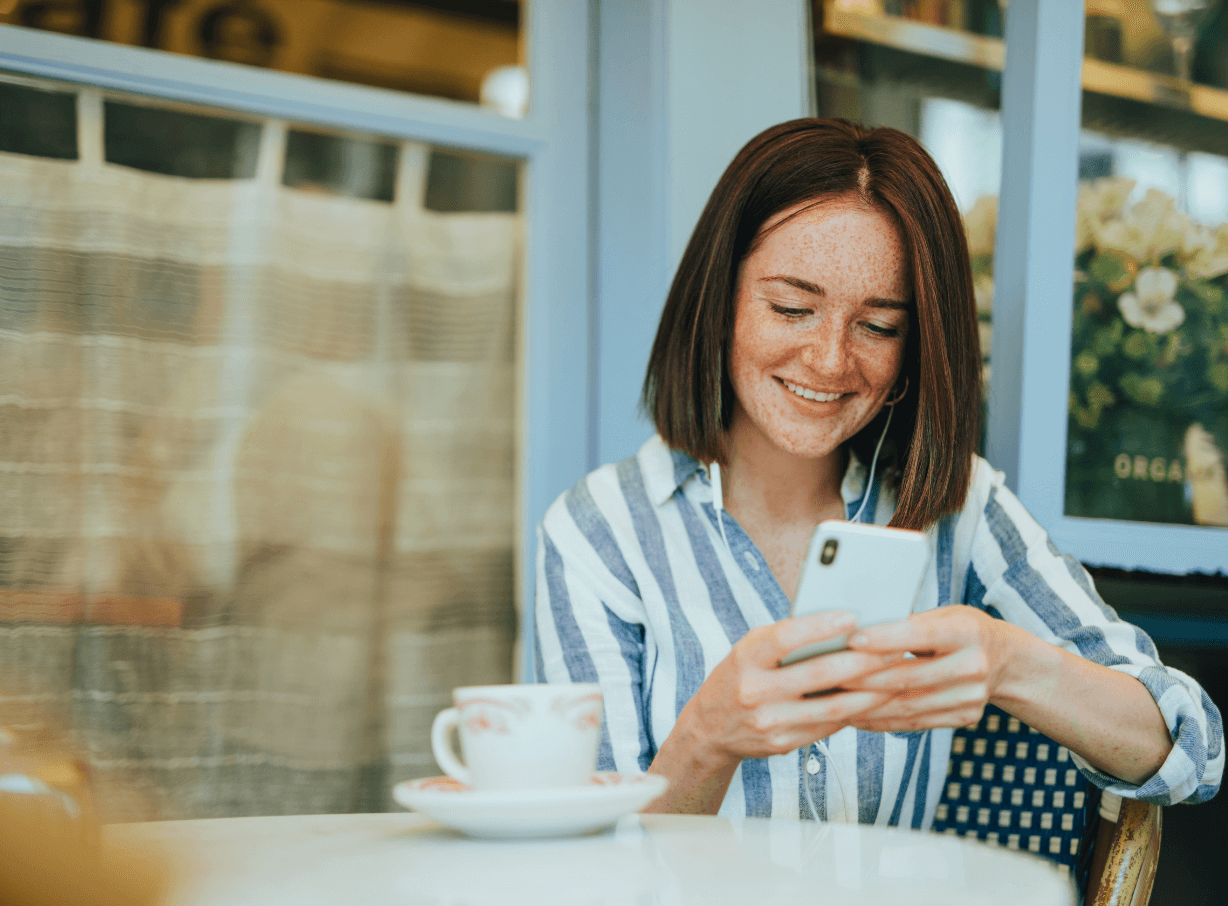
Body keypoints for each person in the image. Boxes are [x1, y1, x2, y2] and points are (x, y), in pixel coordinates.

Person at [534, 118, 1223, 824]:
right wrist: (708, 737)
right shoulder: (600, 532)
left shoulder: (963, 507)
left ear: (915, 349)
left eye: (880, 326)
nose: (831, 361)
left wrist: (1007, 663)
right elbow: (597, 861)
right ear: (720, 303)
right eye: (792, 307)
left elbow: (1191, 752)